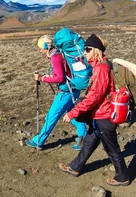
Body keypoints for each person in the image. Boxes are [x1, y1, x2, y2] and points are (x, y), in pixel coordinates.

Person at [56, 34, 130, 186]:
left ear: (96, 50)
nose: (84, 52)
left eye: (87, 49)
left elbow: (94, 97)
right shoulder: (101, 66)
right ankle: (75, 167)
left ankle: (123, 177)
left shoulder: (101, 69)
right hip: (99, 115)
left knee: (112, 148)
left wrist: (73, 113)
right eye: (84, 49)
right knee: (89, 141)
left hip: (104, 116)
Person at [26, 35, 87, 150]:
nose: (41, 51)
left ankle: (39, 141)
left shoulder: (55, 57)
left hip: (66, 93)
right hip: (74, 89)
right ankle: (84, 138)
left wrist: (42, 78)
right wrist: (48, 77)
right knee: (73, 114)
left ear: (46, 47)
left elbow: (60, 78)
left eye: (41, 48)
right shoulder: (59, 54)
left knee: (51, 117)